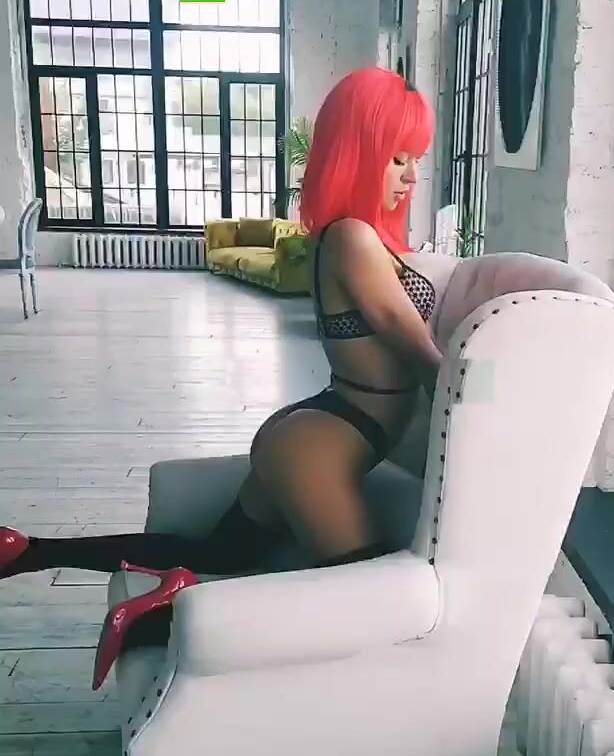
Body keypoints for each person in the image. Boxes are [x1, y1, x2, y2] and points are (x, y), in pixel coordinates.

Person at [0, 67, 444, 688]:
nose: (412, 176)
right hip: (326, 444)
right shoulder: (354, 239)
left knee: (220, 555)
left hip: (318, 430)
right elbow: (421, 355)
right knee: (368, 598)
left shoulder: (346, 236)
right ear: (359, 152)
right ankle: (162, 613)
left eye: (415, 159)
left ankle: (28, 550)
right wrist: (487, 419)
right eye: (398, 159)